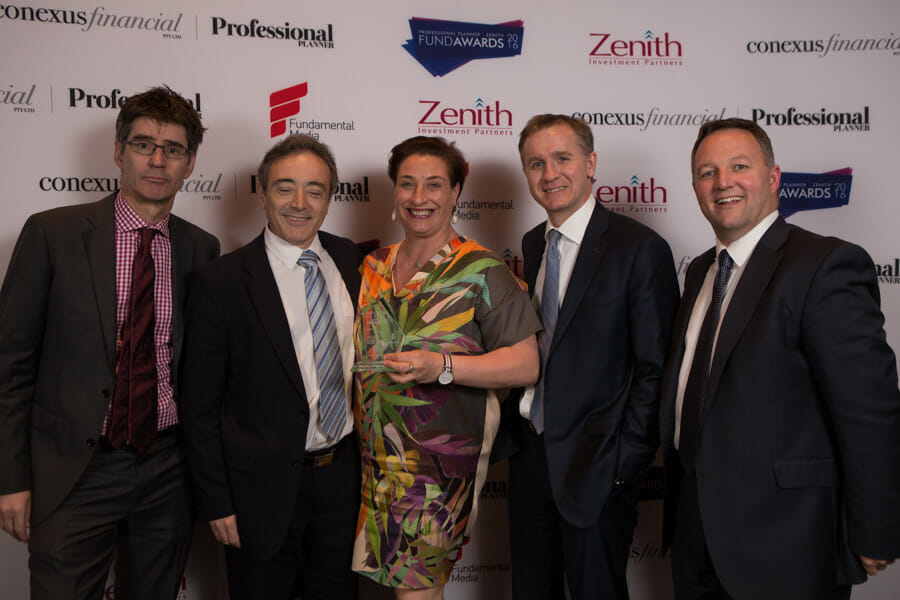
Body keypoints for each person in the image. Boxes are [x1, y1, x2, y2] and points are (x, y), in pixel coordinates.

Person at [659, 117, 900, 599]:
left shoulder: (824, 265)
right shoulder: (701, 272)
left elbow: (869, 410)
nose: (723, 182)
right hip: (696, 532)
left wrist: (877, 528)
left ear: (773, 178)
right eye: (707, 172)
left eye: (739, 166)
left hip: (787, 540)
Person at [0, 85, 219, 599]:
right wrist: (11, 478)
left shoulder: (201, 248)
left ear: (190, 164)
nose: (158, 160)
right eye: (144, 145)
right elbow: (10, 365)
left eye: (173, 149)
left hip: (167, 469)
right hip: (75, 470)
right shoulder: (52, 234)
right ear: (119, 152)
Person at [491, 114, 679, 599]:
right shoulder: (534, 243)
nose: (549, 173)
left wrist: (624, 467)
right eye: (536, 163)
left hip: (598, 464)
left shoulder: (639, 249)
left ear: (591, 163)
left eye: (562, 158)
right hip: (531, 455)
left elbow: (656, 371)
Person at [352, 136, 540, 599]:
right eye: (407, 184)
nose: (419, 197)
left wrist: (441, 366)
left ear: (456, 192)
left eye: (434, 184)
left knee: (417, 593)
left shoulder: (482, 269)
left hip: (435, 473)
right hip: (374, 463)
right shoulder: (373, 266)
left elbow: (525, 364)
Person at [181, 134, 362, 600]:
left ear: (331, 197)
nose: (300, 203)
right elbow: (200, 407)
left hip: (343, 482)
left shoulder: (351, 260)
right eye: (285, 188)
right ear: (261, 193)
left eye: (315, 190)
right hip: (257, 492)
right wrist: (217, 501)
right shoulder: (220, 281)